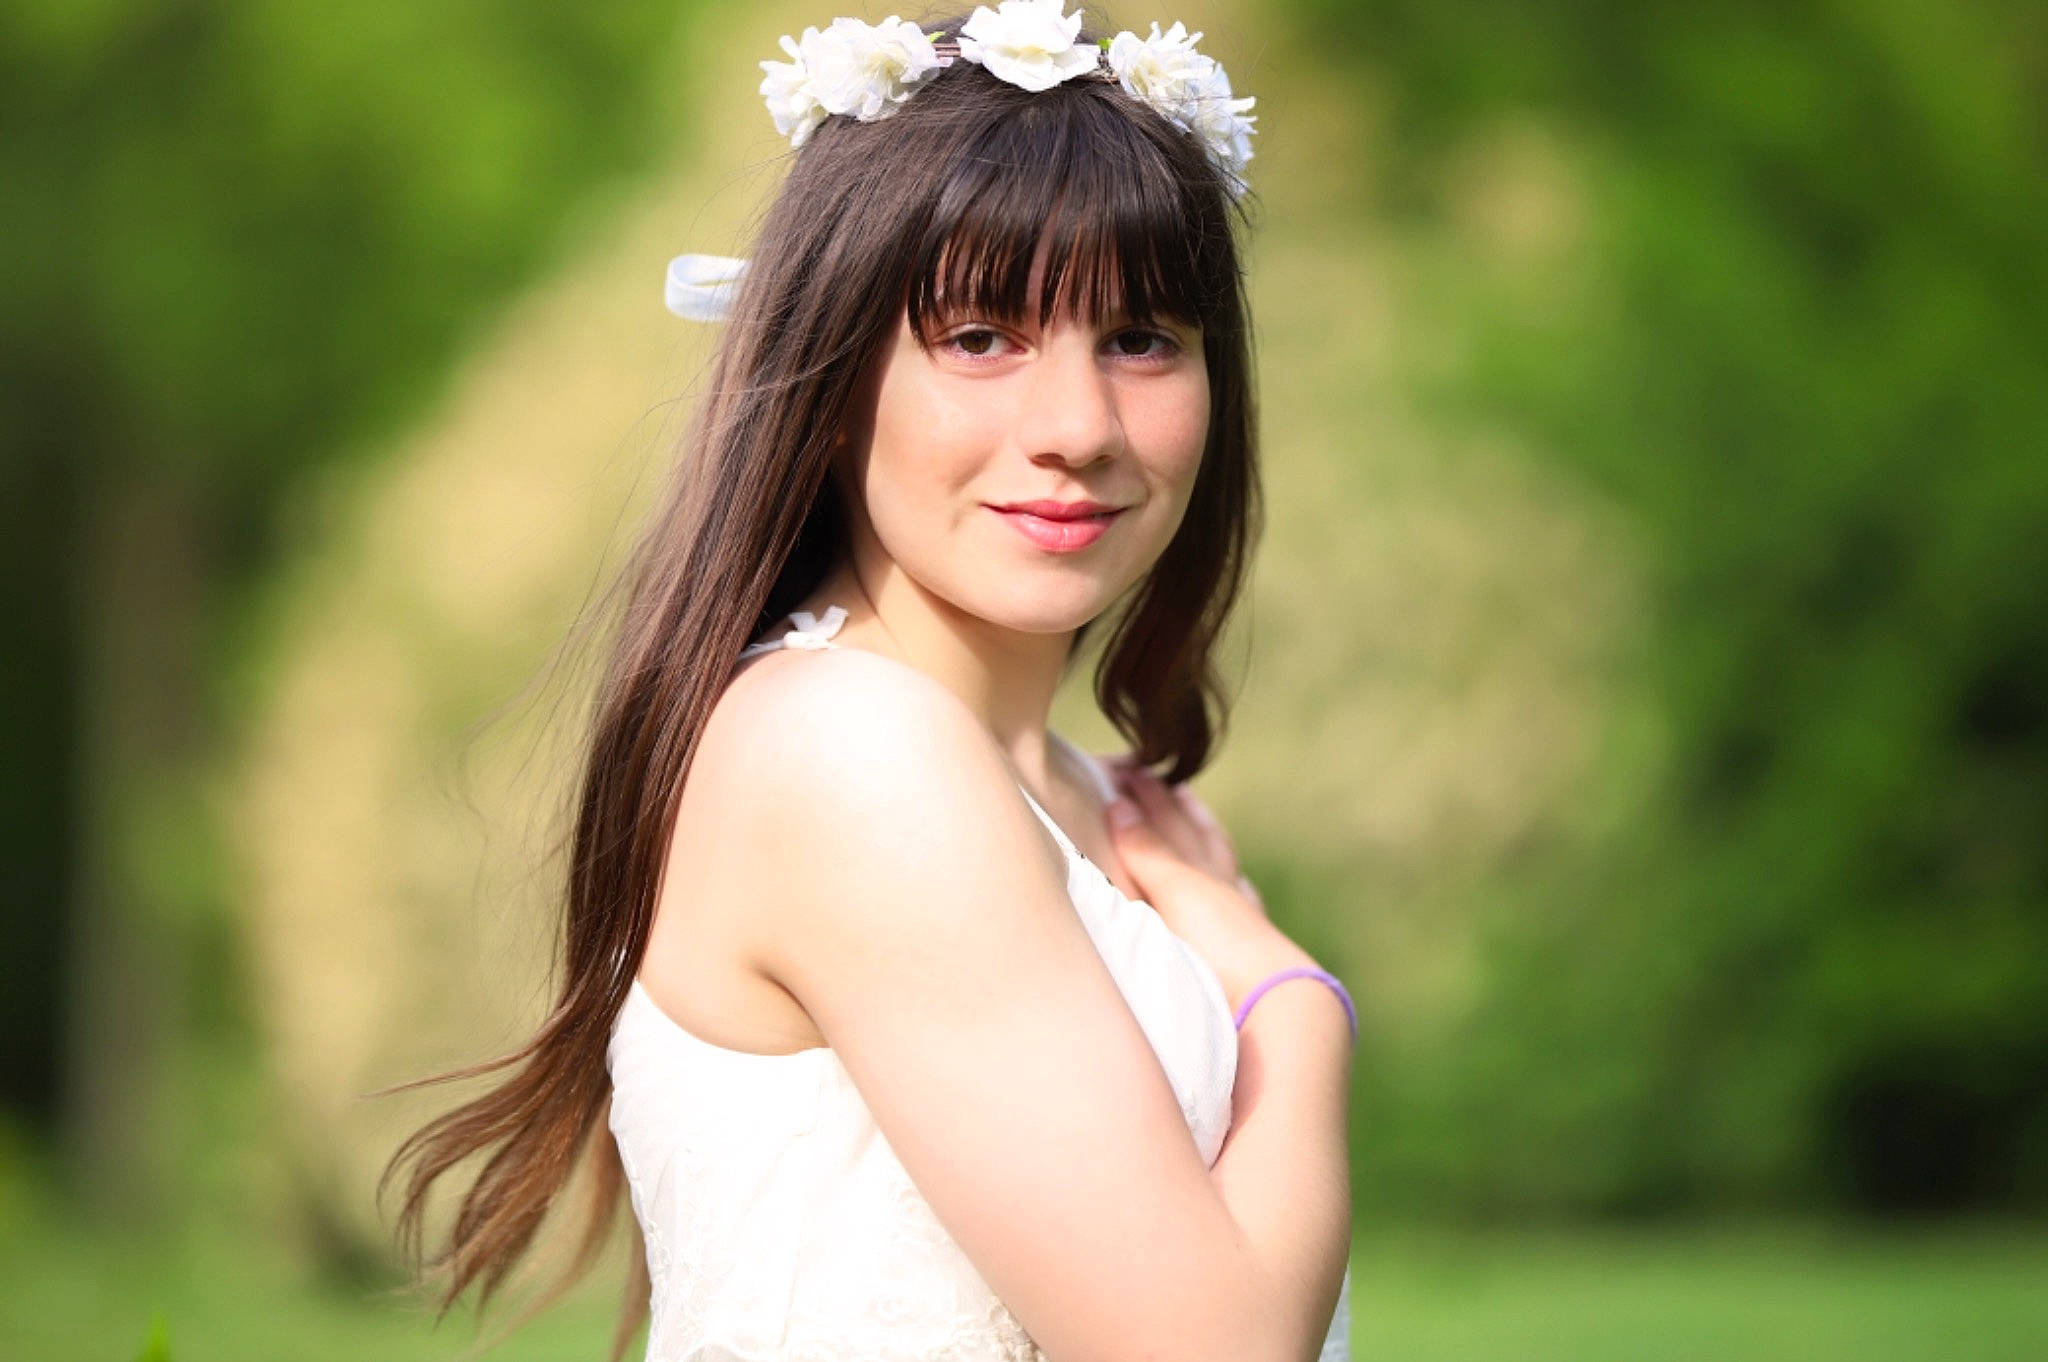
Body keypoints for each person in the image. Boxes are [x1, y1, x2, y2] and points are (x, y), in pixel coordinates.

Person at [382, 5, 1356, 1359]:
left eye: (1140, 336)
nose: (1076, 427)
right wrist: (1295, 1009)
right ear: (834, 377)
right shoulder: (851, 756)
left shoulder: (1075, 799)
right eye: (979, 338)